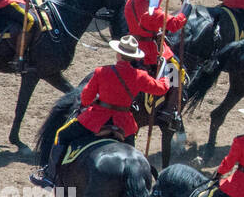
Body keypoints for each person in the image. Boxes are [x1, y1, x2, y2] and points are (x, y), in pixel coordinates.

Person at [31, 35, 170, 188]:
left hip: (95, 120)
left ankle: (50, 176)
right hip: (124, 124)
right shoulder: (140, 76)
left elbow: (85, 99)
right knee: (132, 154)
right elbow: (160, 89)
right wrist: (165, 76)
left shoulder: (101, 72)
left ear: (118, 54)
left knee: (61, 135)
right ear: (133, 57)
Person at [123, 0, 190, 128]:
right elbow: (174, 25)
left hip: (131, 45)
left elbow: (142, 23)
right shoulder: (155, 10)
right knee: (177, 72)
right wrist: (186, 9)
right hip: (149, 51)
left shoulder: (129, 3)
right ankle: (168, 112)